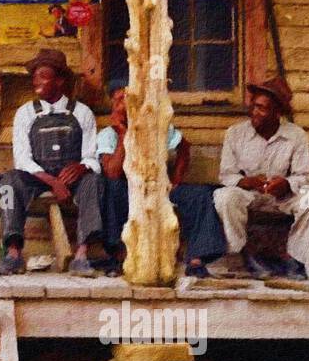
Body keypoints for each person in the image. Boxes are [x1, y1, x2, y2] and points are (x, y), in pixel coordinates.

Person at [96, 79, 228, 278]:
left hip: (159, 190)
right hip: (129, 193)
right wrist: (124, 134)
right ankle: (118, 258)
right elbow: (112, 172)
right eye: (117, 101)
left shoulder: (156, 128)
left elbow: (184, 148)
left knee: (200, 194)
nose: (121, 105)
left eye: (126, 99)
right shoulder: (108, 135)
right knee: (111, 188)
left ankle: (196, 260)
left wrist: (175, 180)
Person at [0, 48, 102, 275]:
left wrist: (82, 167)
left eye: (42, 76)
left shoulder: (82, 112)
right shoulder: (26, 113)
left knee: (93, 181)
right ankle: (13, 253)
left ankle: (82, 255)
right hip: (37, 177)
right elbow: (22, 159)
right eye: (34, 76)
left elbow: (92, 157)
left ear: (60, 81)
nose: (36, 81)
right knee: (8, 181)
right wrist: (51, 181)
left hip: (70, 177)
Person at [213, 76, 309, 278]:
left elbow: (304, 176)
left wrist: (286, 183)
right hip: (249, 195)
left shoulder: (296, 135)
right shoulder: (235, 133)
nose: (254, 113)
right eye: (253, 106)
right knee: (224, 196)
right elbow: (226, 175)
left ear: (277, 113)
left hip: (283, 198)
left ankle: (296, 261)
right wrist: (246, 182)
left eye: (262, 109)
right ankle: (242, 256)